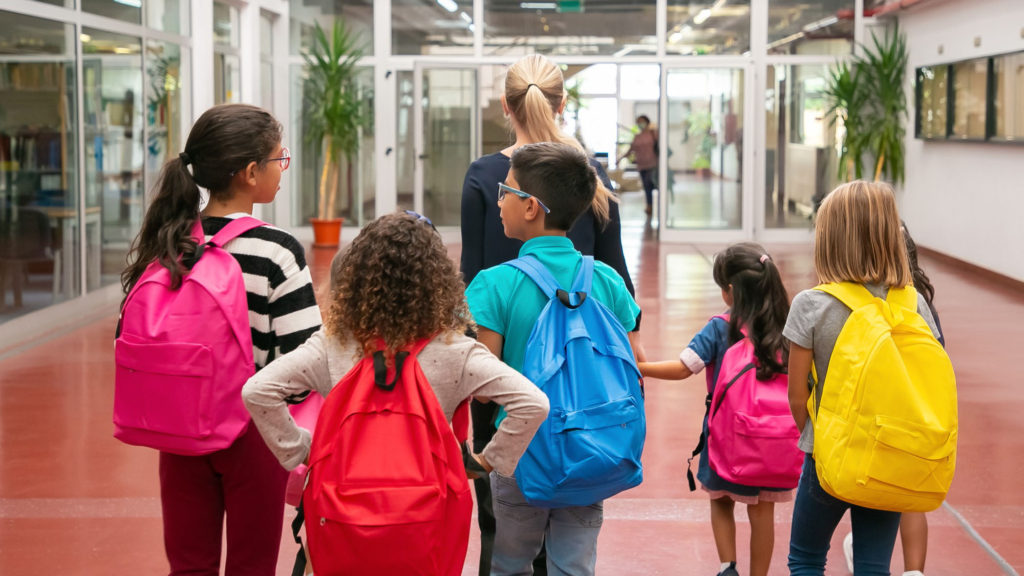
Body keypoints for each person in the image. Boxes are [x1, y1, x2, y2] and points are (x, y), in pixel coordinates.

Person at [241, 211, 551, 563]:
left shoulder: (333, 345)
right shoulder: (456, 351)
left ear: (357, 278)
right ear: (438, 282)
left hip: (342, 512)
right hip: (427, 516)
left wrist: (302, 451)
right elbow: (533, 403)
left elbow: (258, 391)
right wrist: (488, 462)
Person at [120, 103, 321, 575]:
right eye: (279, 160)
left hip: (178, 429)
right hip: (253, 433)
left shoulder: (168, 240)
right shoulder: (277, 249)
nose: (282, 169)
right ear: (251, 172)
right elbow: (304, 361)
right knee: (252, 564)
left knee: (189, 564)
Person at [459, 53, 640, 576]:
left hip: (505, 364)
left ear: (505, 107)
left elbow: (472, 272)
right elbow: (617, 276)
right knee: (575, 516)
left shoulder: (487, 177)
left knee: (506, 521)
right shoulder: (588, 175)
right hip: (584, 392)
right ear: (563, 103)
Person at [784, 181, 942, 576]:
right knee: (873, 564)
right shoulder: (914, 302)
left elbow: (796, 395)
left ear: (829, 239)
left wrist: (818, 436)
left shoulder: (812, 305)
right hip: (887, 455)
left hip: (828, 457)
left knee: (806, 558)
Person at [638, 242, 794, 576]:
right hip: (774, 441)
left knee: (721, 499)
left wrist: (643, 368)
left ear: (731, 292)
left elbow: (683, 367)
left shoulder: (719, 328)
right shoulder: (785, 327)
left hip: (728, 436)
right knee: (763, 511)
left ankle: (728, 567)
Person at [841, 220, 944, 576]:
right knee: (910, 498)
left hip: (878, 419)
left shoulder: (867, 302)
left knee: (870, 490)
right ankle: (914, 571)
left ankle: (863, 550)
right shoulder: (921, 304)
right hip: (917, 416)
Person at [618, 114, 659, 215]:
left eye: (642, 121)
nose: (640, 124)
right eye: (638, 122)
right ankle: (649, 205)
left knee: (650, 185)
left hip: (652, 165)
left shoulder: (653, 134)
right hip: (641, 165)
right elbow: (631, 150)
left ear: (647, 122)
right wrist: (620, 159)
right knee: (646, 186)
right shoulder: (637, 137)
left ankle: (653, 206)